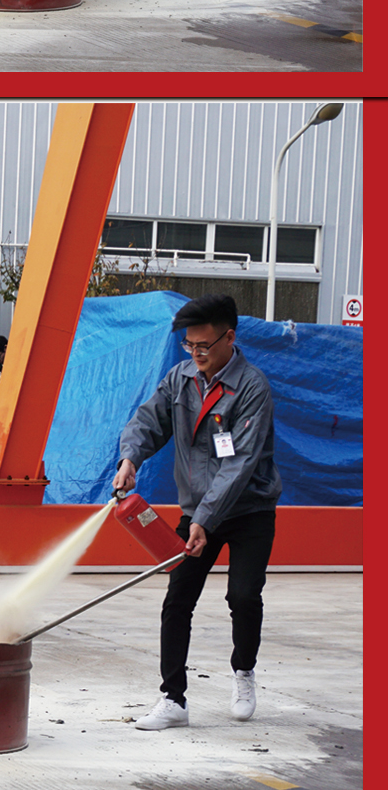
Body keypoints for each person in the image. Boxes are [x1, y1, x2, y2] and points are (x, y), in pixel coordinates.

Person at [115, 294, 280, 730]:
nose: (196, 354)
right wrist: (131, 458)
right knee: (177, 599)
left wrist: (205, 519)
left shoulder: (253, 388)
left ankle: (243, 672)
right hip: (197, 511)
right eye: (189, 345)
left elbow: (239, 464)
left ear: (230, 338)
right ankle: (173, 699)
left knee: (243, 596)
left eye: (204, 346)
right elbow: (148, 421)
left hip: (249, 510)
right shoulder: (180, 377)